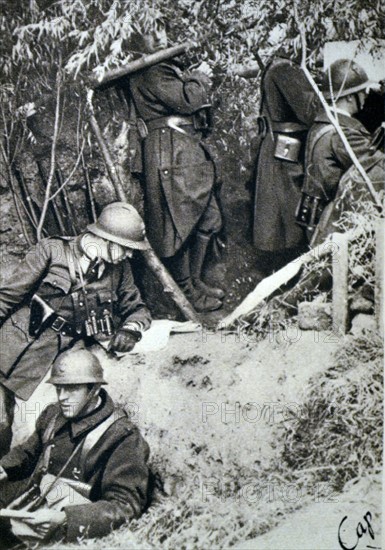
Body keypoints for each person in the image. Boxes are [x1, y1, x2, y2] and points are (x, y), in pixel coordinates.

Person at [0, 201, 151, 457]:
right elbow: (7, 298)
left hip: (65, 354)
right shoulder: (52, 251)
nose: (130, 255)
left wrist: (131, 329)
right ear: (106, 239)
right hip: (20, 344)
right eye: (126, 248)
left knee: (52, 423)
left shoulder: (118, 270)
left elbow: (137, 308)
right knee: (1, 421)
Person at [0, 349, 150, 546]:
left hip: (70, 531)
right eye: (59, 388)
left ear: (94, 389)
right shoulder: (53, 414)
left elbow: (125, 506)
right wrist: (3, 467)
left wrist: (66, 519)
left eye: (72, 389)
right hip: (33, 504)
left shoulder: (122, 437)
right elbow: (28, 453)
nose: (62, 397)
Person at [125, 21, 224, 312]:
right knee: (176, 224)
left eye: (161, 29)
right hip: (169, 152)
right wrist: (199, 78)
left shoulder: (163, 66)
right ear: (136, 38)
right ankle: (186, 290)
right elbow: (188, 100)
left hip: (180, 150)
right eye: (149, 31)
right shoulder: (153, 69)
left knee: (207, 219)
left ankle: (194, 281)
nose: (158, 35)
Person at [252, 24, 319, 273]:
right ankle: (289, 274)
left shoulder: (278, 66)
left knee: (282, 214)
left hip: (280, 146)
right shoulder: (285, 69)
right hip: (286, 151)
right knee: (288, 216)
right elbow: (311, 111)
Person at [297, 58, 384, 240]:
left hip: (313, 219)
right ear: (350, 96)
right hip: (332, 225)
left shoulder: (321, 125)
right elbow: (377, 167)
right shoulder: (342, 134)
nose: (367, 96)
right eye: (363, 91)